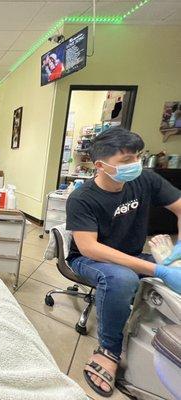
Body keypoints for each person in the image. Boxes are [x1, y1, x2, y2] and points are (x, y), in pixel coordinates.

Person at [66, 127, 181, 397]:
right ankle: (108, 350)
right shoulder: (82, 198)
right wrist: (155, 268)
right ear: (100, 165)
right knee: (122, 278)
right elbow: (90, 248)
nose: (135, 164)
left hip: (131, 253)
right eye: (126, 160)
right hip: (88, 258)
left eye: (137, 157)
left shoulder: (146, 180)